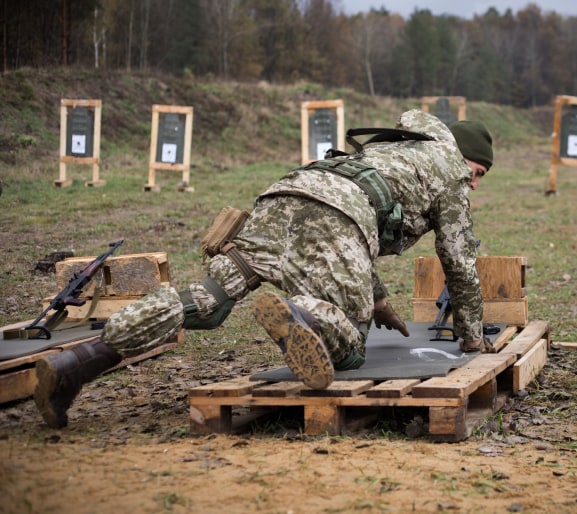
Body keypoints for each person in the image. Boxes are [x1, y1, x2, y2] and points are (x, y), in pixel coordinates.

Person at [33, 109, 494, 428]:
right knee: (351, 347)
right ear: (463, 156)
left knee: (207, 303)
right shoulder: (450, 173)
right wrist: (473, 336)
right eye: (477, 171)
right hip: (335, 219)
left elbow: (371, 213)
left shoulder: (397, 149)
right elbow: (458, 262)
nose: (474, 182)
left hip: (283, 195)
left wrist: (375, 299)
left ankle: (74, 364)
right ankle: (306, 315)